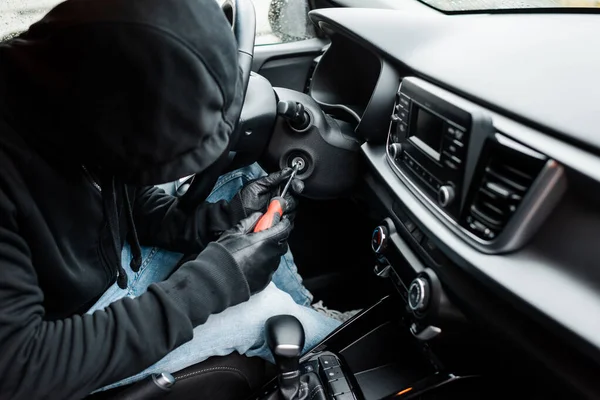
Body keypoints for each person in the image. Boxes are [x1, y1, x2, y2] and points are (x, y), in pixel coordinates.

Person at [0, 0, 343, 398]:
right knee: (267, 310)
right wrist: (215, 279)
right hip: (64, 339)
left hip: (108, 268)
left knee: (242, 180)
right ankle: (343, 350)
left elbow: (131, 204)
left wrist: (225, 217)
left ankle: (314, 316)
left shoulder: (65, 96)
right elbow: (19, 365)